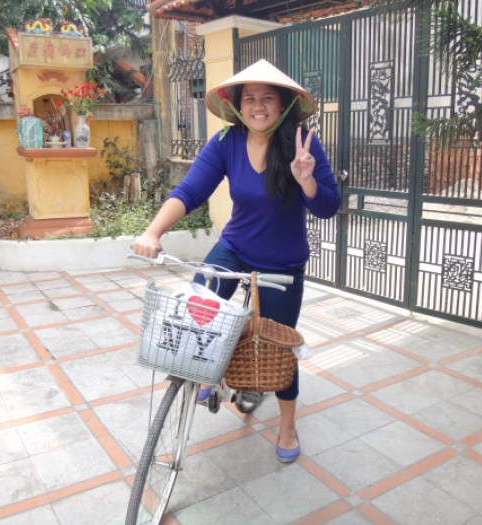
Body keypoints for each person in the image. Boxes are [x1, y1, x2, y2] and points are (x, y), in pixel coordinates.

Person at [133, 59, 340, 463]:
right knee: (197, 312)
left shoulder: (303, 145)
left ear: (282, 106)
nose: (258, 106)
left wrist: (307, 180)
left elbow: (329, 206)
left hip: (283, 262)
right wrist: (152, 232)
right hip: (234, 249)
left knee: (280, 349)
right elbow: (190, 190)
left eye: (267, 98)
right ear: (238, 106)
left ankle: (286, 426)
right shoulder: (226, 142)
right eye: (250, 99)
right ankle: (208, 373)